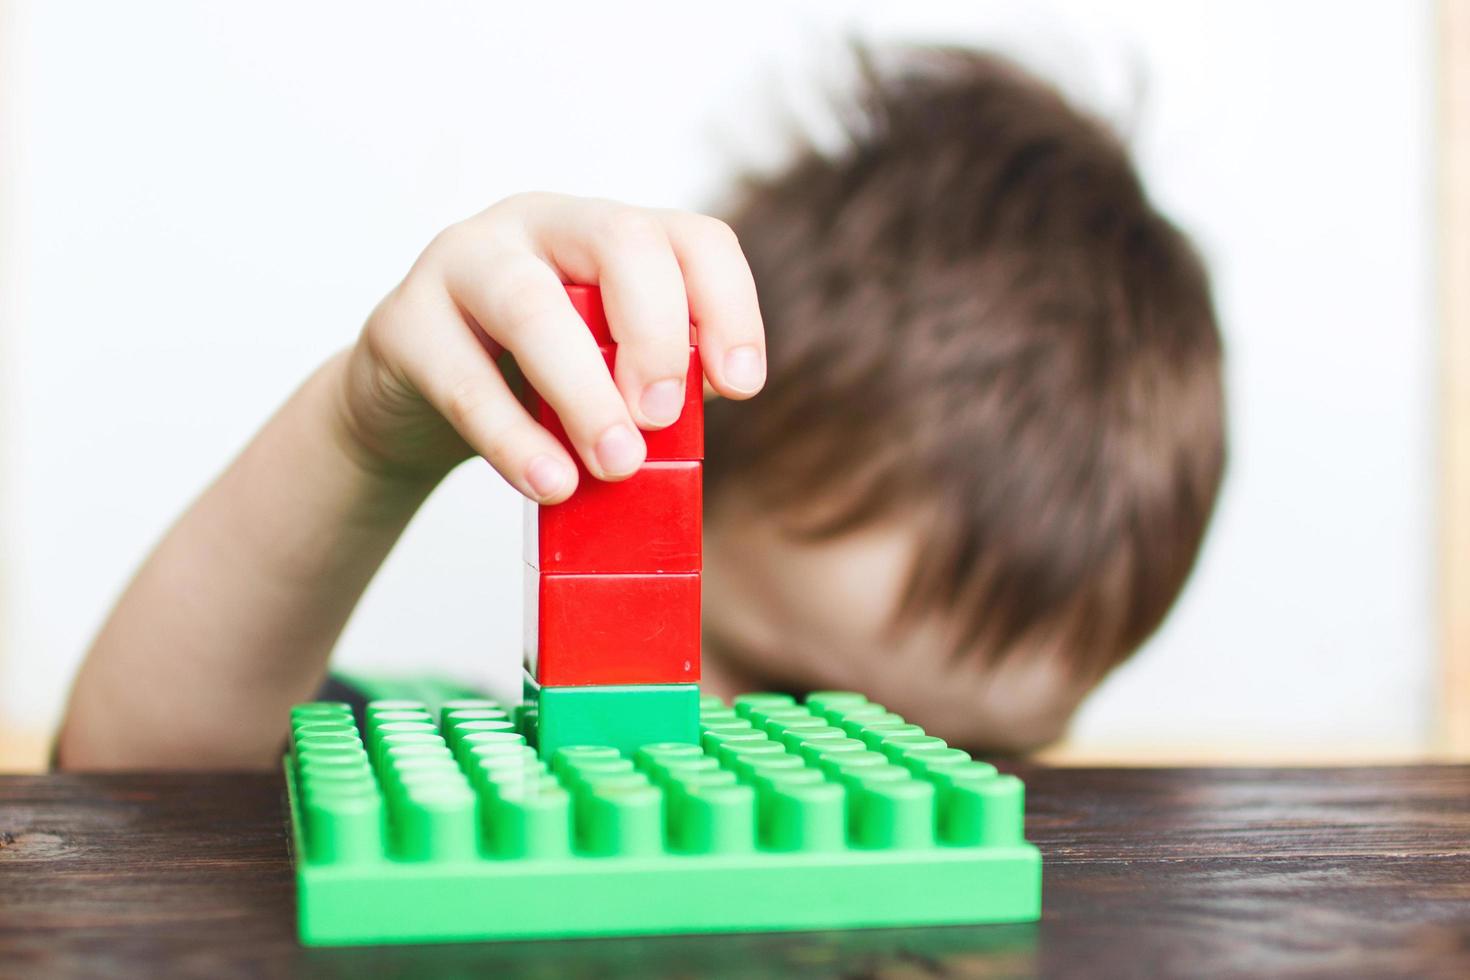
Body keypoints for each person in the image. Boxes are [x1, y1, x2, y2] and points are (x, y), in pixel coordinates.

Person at [56, 49, 1224, 769]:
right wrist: (362, 438)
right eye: (776, 692)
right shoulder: (492, 791)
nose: (858, 800)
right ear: (652, 515)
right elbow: (138, 780)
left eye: (983, 759)